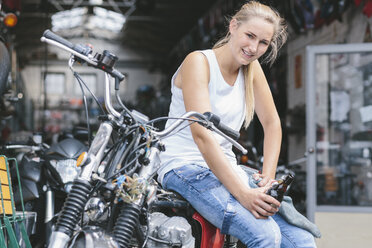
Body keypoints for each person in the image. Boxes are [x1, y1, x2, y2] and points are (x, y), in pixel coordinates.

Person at [157, 1, 317, 247]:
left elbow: (272, 123)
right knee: (265, 235)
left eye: (263, 42)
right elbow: (202, 136)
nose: (253, 48)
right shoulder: (198, 62)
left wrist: (268, 178)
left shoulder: (251, 71)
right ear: (233, 26)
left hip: (227, 168)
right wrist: (243, 194)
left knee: (301, 240)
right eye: (249, 36)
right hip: (184, 167)